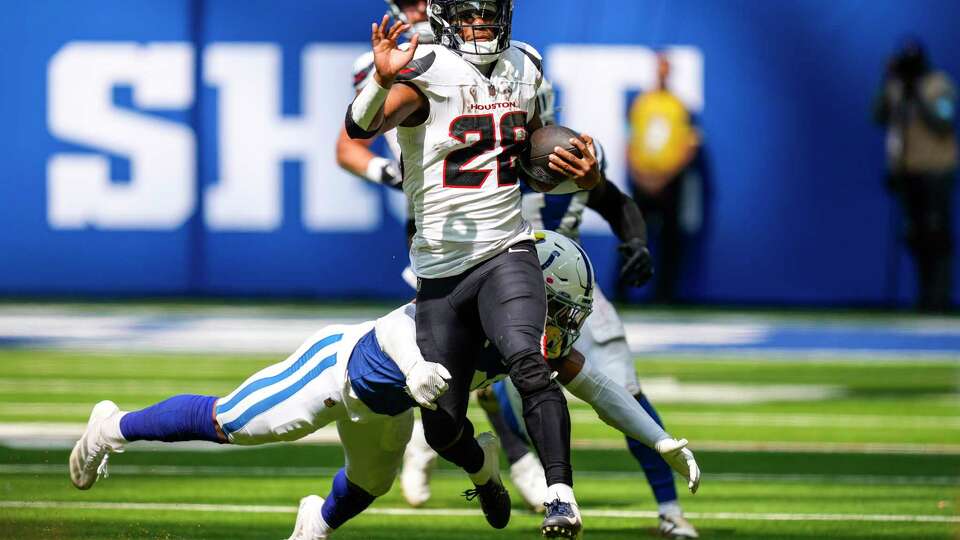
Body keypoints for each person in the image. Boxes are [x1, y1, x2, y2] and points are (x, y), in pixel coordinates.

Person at [68, 233, 700, 539]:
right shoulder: (466, 302)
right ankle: (111, 427)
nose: (560, 323)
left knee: (367, 486)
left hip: (391, 408)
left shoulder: (530, 338)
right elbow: (401, 329)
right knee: (231, 423)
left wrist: (661, 437)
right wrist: (419, 367)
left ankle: (314, 522)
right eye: (555, 306)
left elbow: (599, 390)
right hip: (338, 373)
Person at [343, 1, 604, 536]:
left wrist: (583, 175)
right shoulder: (426, 67)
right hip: (440, 267)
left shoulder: (524, 64)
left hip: (507, 249)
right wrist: (379, 77)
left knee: (530, 364)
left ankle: (561, 496)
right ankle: (487, 473)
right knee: (441, 424)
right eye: (470, 15)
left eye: (489, 13)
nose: (481, 24)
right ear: (447, 18)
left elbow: (532, 155)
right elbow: (359, 125)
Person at [402, 79, 701, 538]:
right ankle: (517, 459)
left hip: (571, 292)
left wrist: (635, 239)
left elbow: (616, 202)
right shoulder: (474, 151)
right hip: (496, 281)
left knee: (623, 388)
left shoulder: (572, 152)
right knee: (502, 385)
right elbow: (422, 217)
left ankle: (669, 507)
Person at [874, 38, 958, 312]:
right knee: (915, 236)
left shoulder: (938, 84)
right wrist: (887, 83)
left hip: (936, 169)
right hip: (907, 170)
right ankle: (924, 297)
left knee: (937, 234)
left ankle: (940, 297)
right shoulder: (897, 87)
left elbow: (943, 121)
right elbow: (879, 116)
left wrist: (919, 95)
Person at [627, 51, 700, 303]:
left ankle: (665, 295)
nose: (662, 72)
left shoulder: (679, 105)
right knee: (634, 237)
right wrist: (640, 174)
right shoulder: (642, 102)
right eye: (659, 67)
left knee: (670, 241)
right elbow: (630, 140)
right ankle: (624, 292)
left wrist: (666, 175)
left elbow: (689, 145)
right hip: (642, 180)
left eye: (666, 68)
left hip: (670, 182)